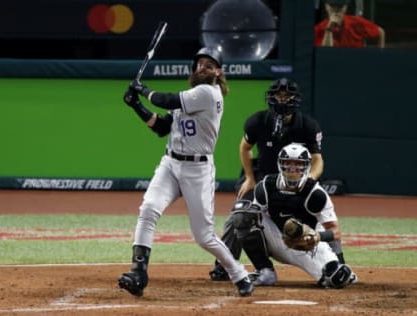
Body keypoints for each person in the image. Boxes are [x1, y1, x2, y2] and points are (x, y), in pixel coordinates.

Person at [117, 47, 254, 297]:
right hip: (170, 164)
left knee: (203, 236)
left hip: (197, 170)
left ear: (218, 72)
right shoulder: (190, 95)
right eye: (200, 63)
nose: (203, 67)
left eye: (209, 64)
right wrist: (136, 105)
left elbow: (164, 100)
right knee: (148, 209)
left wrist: (143, 89)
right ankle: (138, 272)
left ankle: (239, 273)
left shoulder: (208, 93)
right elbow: (161, 127)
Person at [209, 77, 347, 283]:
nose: (282, 100)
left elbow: (317, 159)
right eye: (278, 96)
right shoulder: (258, 121)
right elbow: (244, 148)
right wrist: (249, 177)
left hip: (298, 180)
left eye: (287, 96)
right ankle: (224, 264)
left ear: (295, 99)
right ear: (271, 98)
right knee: (240, 213)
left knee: (320, 213)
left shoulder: (308, 126)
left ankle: (339, 260)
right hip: (264, 178)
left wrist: (307, 181)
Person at [228, 143, 357, 289]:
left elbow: (335, 231)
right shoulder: (267, 185)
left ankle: (336, 266)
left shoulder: (316, 194)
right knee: (243, 214)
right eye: (288, 163)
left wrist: (317, 237)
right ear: (280, 165)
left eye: (298, 164)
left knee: (337, 278)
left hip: (308, 243)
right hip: (278, 239)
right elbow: (251, 219)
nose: (293, 168)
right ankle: (265, 270)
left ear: (307, 166)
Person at [314, 0, 385, 48]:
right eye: (332, 6)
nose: (336, 10)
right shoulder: (318, 29)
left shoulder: (356, 22)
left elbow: (380, 32)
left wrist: (379, 55)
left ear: (345, 7)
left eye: (340, 7)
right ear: (326, 7)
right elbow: (326, 55)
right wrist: (329, 30)